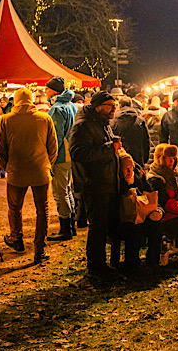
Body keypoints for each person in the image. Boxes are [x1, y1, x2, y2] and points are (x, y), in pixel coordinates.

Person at [0, 88, 58, 263]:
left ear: (15, 101)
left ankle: (17, 239)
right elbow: (53, 146)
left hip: (16, 171)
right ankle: (39, 248)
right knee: (42, 210)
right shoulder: (44, 119)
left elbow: (0, 148)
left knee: (15, 208)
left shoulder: (6, 120)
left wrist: (7, 167)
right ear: (31, 100)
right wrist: (47, 164)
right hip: (40, 171)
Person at [69, 91, 123, 278]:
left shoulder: (102, 124)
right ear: (97, 106)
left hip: (107, 181)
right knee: (97, 227)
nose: (113, 108)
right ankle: (96, 266)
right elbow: (77, 153)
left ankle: (106, 263)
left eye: (114, 105)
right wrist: (109, 148)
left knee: (105, 225)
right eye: (109, 105)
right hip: (94, 183)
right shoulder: (83, 126)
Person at [111, 153, 163, 272]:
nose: (130, 172)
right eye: (126, 169)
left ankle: (152, 262)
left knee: (156, 226)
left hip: (142, 216)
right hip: (122, 221)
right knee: (134, 230)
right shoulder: (116, 183)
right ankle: (132, 265)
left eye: (132, 168)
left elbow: (150, 195)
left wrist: (159, 211)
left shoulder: (139, 178)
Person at [44, 76, 78, 242]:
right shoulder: (71, 106)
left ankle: (66, 228)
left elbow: (54, 137)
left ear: (54, 90)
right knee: (68, 189)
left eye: (47, 88)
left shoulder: (57, 109)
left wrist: (51, 158)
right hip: (71, 154)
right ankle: (71, 225)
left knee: (60, 192)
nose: (45, 91)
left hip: (61, 155)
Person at [110, 96, 151, 168]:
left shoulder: (113, 122)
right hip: (138, 159)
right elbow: (146, 141)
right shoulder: (140, 121)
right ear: (131, 105)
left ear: (119, 106)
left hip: (121, 159)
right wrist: (145, 159)